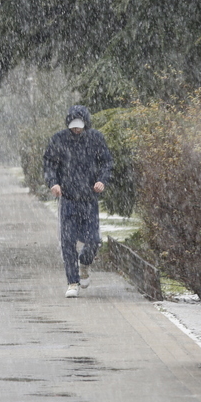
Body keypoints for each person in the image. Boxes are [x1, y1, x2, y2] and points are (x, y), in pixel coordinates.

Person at [43, 105, 113, 298]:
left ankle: (85, 263)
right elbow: (49, 163)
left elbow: (107, 162)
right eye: (73, 126)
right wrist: (53, 183)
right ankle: (72, 282)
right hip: (68, 199)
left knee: (93, 241)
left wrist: (101, 180)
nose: (76, 129)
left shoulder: (95, 139)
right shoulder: (59, 140)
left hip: (89, 199)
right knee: (67, 241)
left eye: (80, 126)